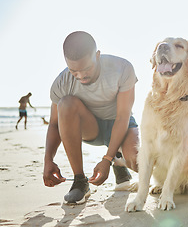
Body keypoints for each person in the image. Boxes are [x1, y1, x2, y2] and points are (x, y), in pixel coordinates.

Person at [43, 31, 139, 205]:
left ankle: (119, 162)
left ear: (97, 56)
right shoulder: (61, 82)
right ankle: (80, 181)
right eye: (74, 71)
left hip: (120, 124)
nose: (81, 76)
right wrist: (48, 160)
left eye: (86, 68)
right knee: (65, 103)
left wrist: (107, 159)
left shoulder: (122, 68)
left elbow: (123, 117)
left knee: (136, 159)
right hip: (91, 128)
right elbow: (55, 124)